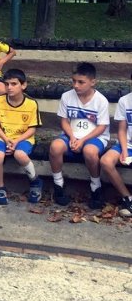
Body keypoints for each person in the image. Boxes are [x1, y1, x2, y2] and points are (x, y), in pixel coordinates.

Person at [49, 62, 109, 209]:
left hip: (94, 137)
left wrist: (82, 140)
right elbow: (64, 120)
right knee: (55, 147)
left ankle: (96, 186)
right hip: (72, 135)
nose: (76, 85)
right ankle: (58, 184)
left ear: (92, 82)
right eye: (74, 81)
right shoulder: (66, 96)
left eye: (81, 82)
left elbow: (102, 127)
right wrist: (72, 137)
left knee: (90, 151)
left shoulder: (101, 100)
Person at [0, 69, 43, 205]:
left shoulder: (31, 103)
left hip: (23, 138)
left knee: (20, 154)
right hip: (3, 137)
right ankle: (0, 189)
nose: (9, 87)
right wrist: (6, 139)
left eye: (14, 84)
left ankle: (35, 182)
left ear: (23, 85)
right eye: (6, 84)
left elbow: (32, 128)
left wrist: (16, 141)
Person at [99, 70, 132, 217]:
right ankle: (128, 198)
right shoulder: (125, 101)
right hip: (127, 144)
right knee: (106, 161)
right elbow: (122, 129)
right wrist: (124, 150)